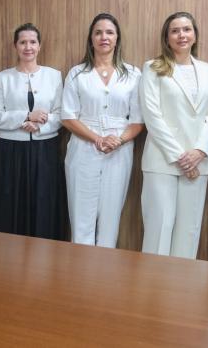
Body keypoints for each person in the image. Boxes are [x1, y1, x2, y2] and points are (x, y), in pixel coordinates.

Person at [139, 11, 208, 258]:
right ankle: (153, 283)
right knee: (159, 229)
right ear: (167, 37)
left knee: (189, 231)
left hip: (198, 162)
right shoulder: (152, 68)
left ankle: (182, 283)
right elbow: (152, 116)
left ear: (195, 35)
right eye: (175, 31)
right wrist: (181, 158)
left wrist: (199, 152)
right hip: (162, 161)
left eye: (187, 29)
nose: (181, 35)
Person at [61, 13, 143, 247]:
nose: (104, 37)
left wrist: (118, 140)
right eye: (98, 32)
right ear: (91, 39)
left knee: (110, 219)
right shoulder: (77, 73)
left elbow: (138, 120)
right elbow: (67, 117)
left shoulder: (133, 74)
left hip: (119, 150)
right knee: (81, 219)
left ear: (117, 38)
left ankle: (105, 268)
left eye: (109, 32)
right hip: (83, 147)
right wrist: (97, 138)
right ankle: (80, 267)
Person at [0, 22, 65, 240]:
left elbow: (61, 114)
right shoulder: (2, 78)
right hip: (10, 152)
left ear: (39, 46)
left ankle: (43, 254)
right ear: (15, 46)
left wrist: (40, 124)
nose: (28, 47)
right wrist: (26, 116)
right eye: (22, 42)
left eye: (32, 42)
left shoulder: (54, 76)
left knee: (43, 202)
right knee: (10, 204)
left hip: (44, 150)